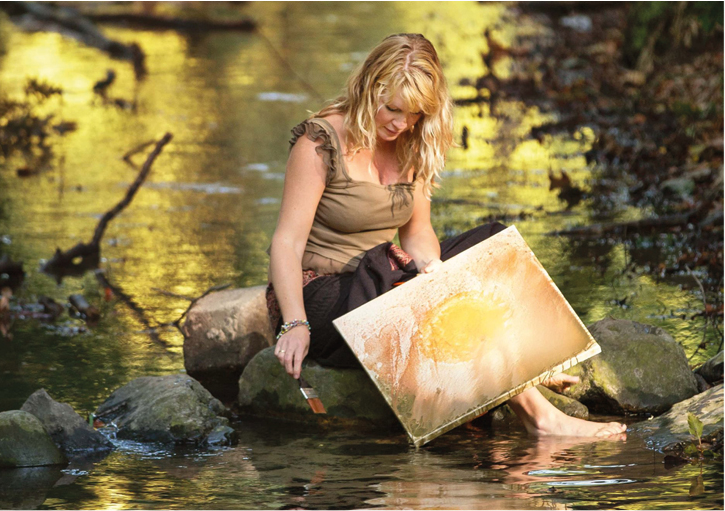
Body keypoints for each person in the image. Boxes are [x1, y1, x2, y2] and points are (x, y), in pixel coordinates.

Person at [267, 33, 626, 438]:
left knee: (491, 243)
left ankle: (511, 366)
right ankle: (539, 417)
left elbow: (418, 233)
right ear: (368, 87)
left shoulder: (410, 143)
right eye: (392, 109)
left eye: (415, 114)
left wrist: (434, 270)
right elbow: (286, 243)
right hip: (324, 298)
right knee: (385, 269)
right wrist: (294, 323)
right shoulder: (319, 143)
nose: (401, 123)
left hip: (385, 284)